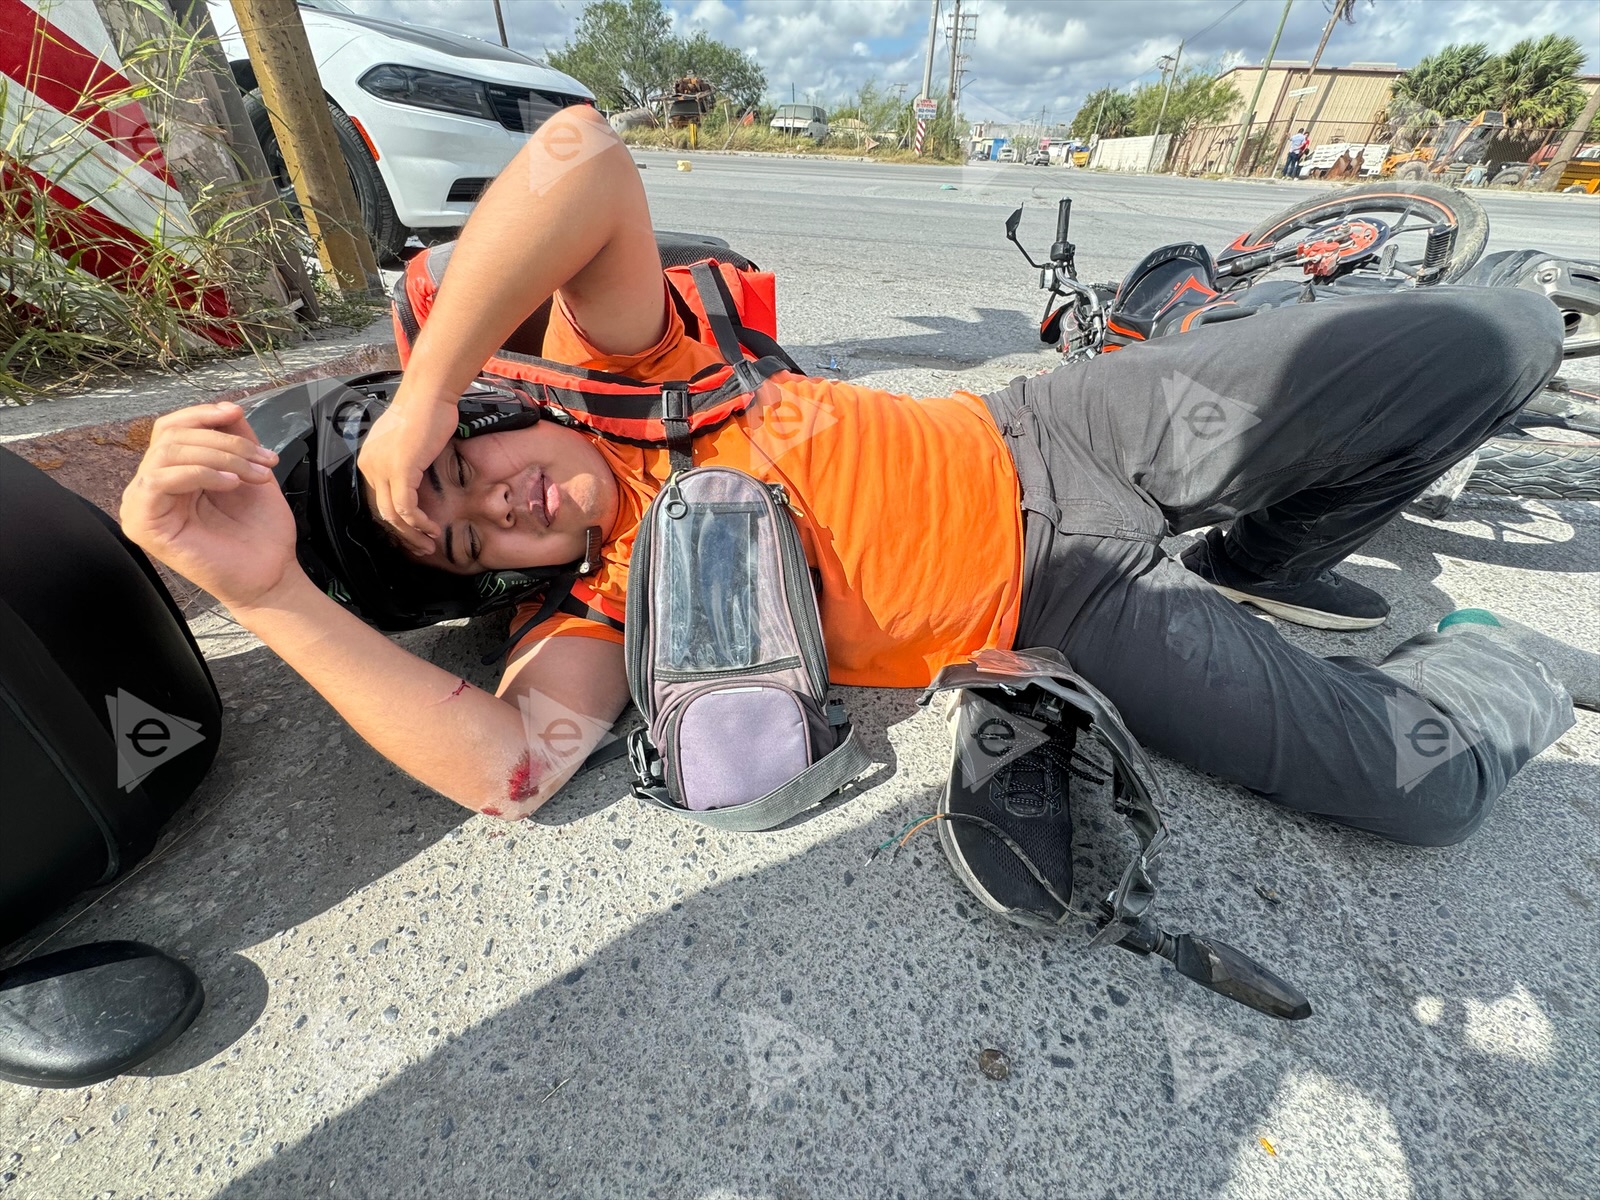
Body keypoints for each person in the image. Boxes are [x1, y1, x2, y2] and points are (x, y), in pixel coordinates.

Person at [121, 107, 1592, 929]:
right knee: (1423, 790)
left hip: (1063, 423)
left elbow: (582, 156)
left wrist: (429, 380)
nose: (499, 505)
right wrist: (268, 598)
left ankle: (1265, 558)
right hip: (1062, 611)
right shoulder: (595, 611)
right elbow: (505, 768)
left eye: (463, 464)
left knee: (1497, 334)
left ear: (491, 411)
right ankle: (1486, 654)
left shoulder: (628, 368)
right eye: (467, 543)